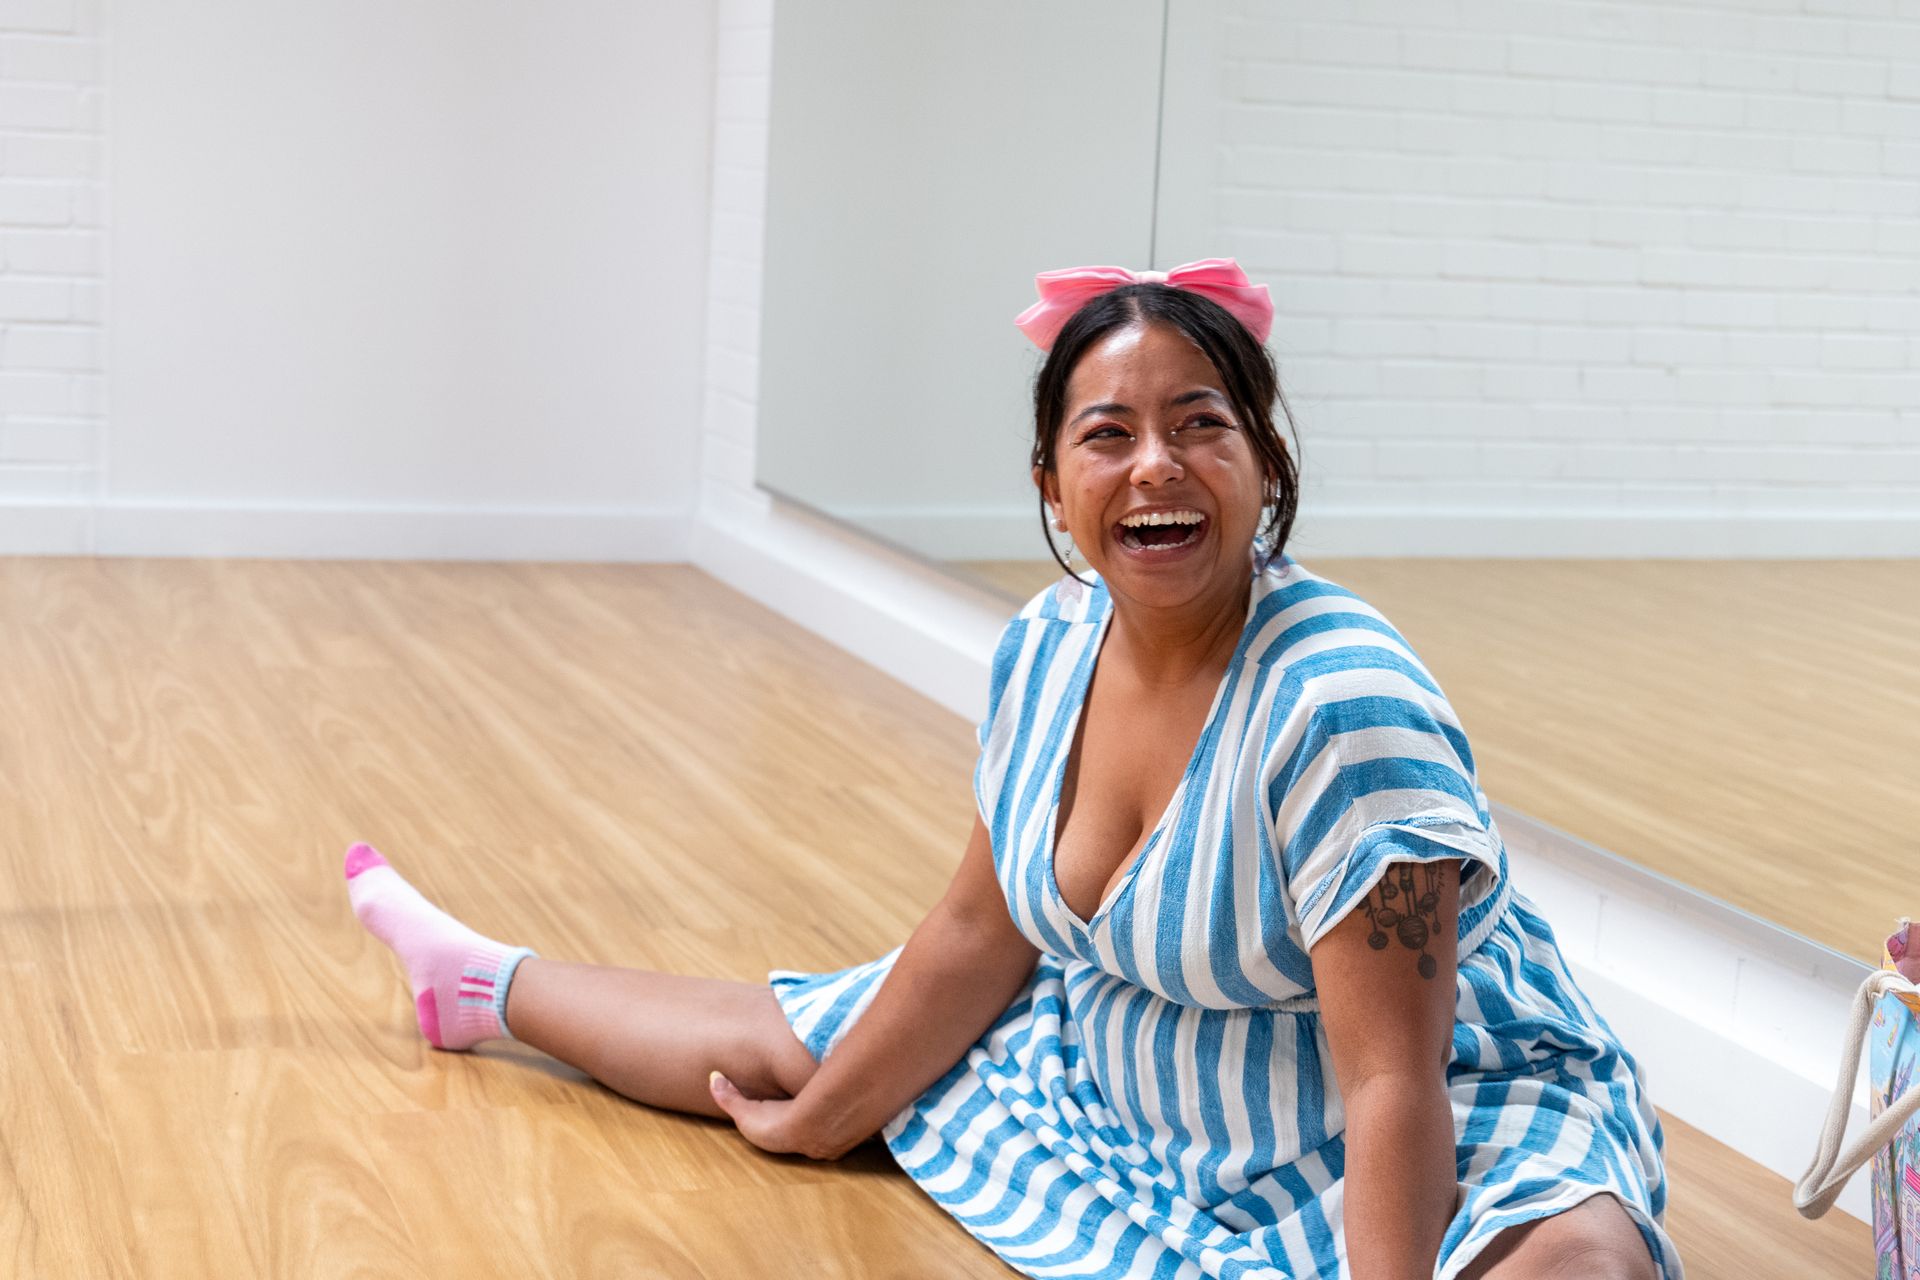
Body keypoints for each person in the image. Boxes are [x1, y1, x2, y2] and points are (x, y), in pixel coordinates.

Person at [344, 258, 1681, 1279]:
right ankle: (475, 982)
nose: (1154, 462)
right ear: (1051, 484)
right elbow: (980, 931)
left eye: (1200, 423)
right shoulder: (1047, 647)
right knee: (796, 1043)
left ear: (1263, 465)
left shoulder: (1344, 708)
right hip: (1135, 1060)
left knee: (1580, 1268)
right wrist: (824, 1121)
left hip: (1431, 1103)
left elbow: (1392, 1080)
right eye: (1107, 434)